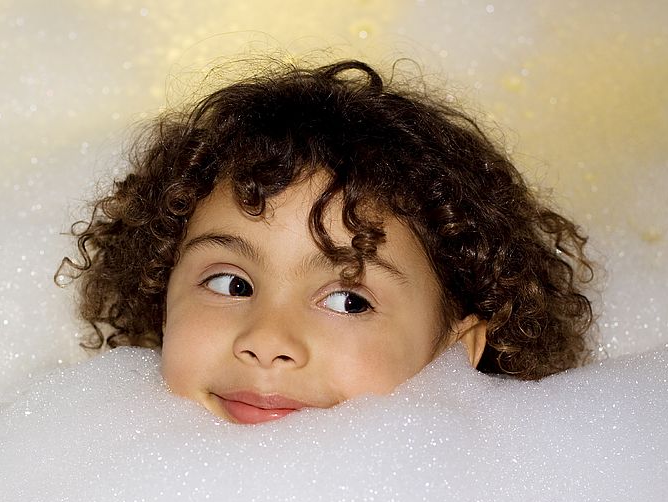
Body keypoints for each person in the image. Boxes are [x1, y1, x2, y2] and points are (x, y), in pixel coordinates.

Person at [56, 59, 594, 424]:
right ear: (162, 297)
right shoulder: (73, 482)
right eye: (229, 283)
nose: (267, 340)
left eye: (348, 299)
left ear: (455, 351)